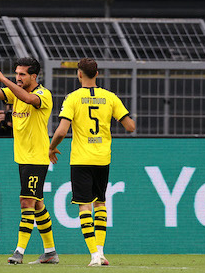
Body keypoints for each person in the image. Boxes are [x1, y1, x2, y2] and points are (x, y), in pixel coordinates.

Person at [48, 57, 135, 267]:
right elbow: (130, 126)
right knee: (101, 203)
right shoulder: (110, 97)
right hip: (102, 158)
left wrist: (51, 147)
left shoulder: (73, 98)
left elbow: (61, 130)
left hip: (81, 159)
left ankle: (94, 254)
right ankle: (101, 252)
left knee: (84, 206)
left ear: (79, 74)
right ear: (97, 74)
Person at [0, 57, 59, 264]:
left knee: (26, 202)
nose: (17, 77)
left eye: (22, 74)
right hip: (23, 158)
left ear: (34, 76)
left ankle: (19, 251)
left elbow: (29, 99)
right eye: (16, 73)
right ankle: (50, 252)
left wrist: (2, 78)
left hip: (36, 158)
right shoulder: (15, 93)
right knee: (37, 204)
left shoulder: (43, 94)